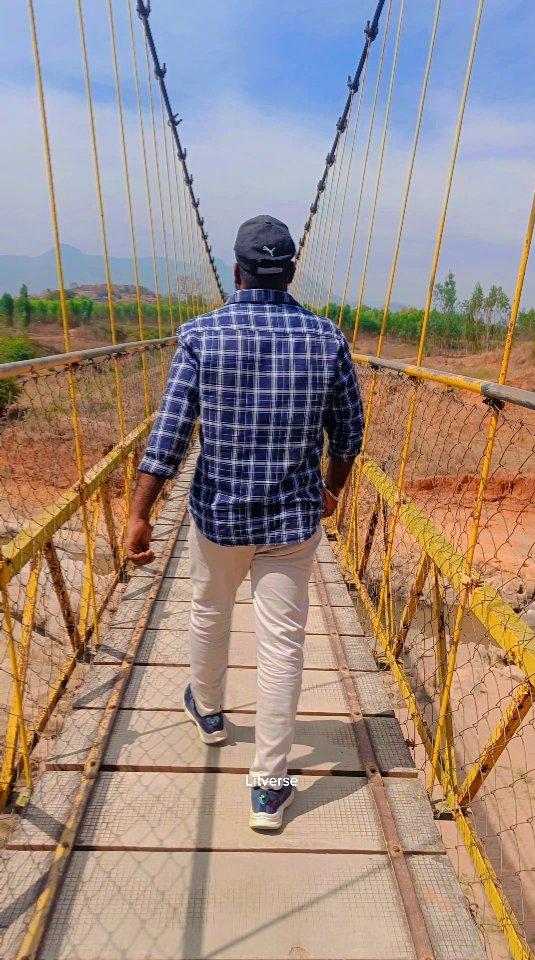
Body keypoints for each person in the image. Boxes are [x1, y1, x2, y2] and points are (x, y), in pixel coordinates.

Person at [124, 215, 364, 829]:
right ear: (289, 272)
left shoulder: (201, 336)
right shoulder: (326, 338)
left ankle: (208, 711)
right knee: (282, 645)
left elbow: (170, 436)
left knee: (208, 609)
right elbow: (350, 433)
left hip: (217, 515)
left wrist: (139, 512)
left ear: (236, 270)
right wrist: (329, 491)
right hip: (292, 520)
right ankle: (270, 786)